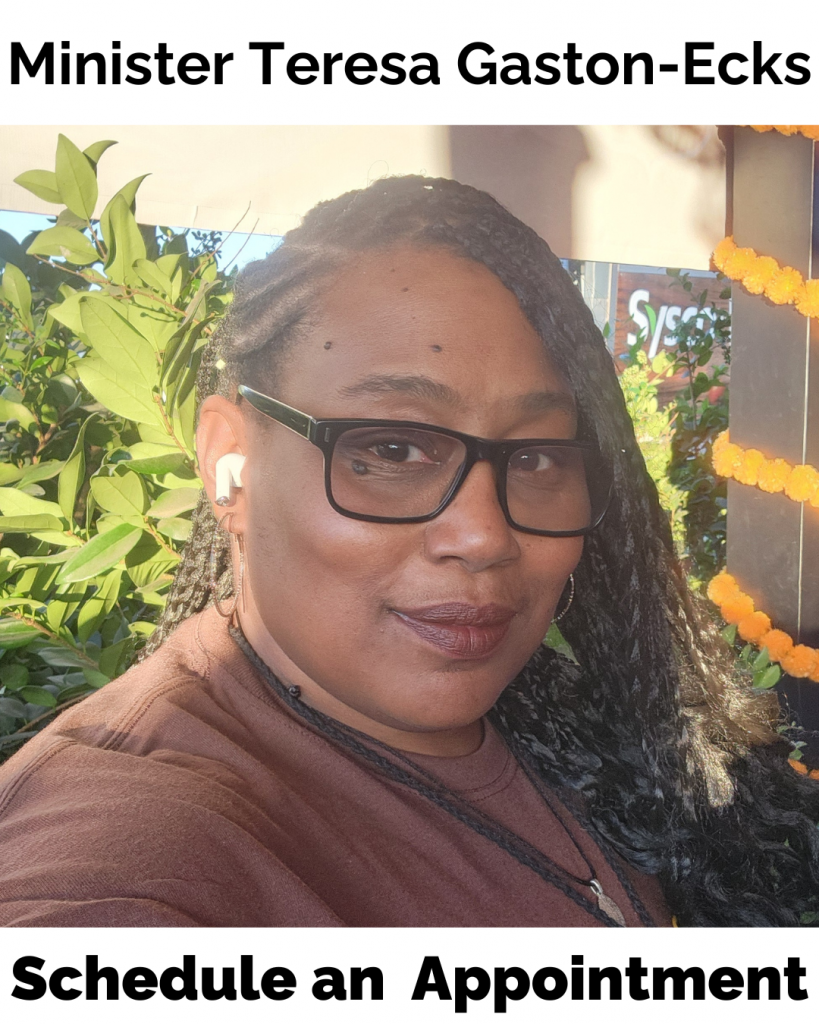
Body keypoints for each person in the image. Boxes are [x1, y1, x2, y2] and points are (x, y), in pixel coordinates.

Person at [1, 176, 818, 928]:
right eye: (391, 449)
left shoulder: (564, 723)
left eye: (536, 458)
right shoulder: (126, 858)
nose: (483, 536)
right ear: (230, 462)